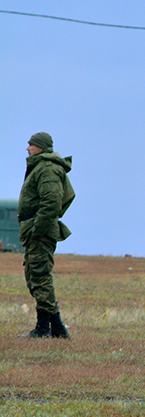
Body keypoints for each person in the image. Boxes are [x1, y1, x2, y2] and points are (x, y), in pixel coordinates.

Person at [17, 132, 74, 339]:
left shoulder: (47, 169)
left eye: (31, 144)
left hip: (40, 231)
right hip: (36, 229)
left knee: (40, 277)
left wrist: (37, 229)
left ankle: (44, 328)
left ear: (40, 147)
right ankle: (56, 328)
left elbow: (51, 202)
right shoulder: (41, 167)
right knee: (35, 275)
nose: (28, 148)